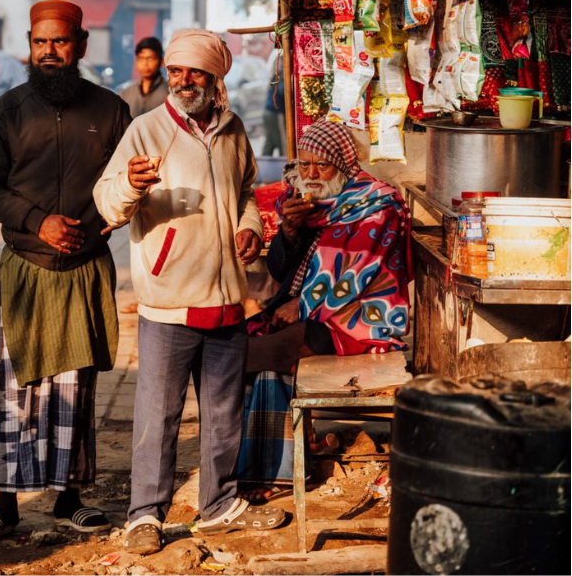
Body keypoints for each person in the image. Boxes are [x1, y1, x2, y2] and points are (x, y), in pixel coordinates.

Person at [93, 29, 289, 555]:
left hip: (227, 297)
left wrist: (250, 227)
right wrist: (132, 184)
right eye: (176, 71)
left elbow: (246, 191)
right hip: (169, 299)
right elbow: (107, 203)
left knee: (223, 411)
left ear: (214, 78)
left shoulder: (233, 129)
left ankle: (218, 504)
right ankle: (144, 515)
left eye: (194, 72)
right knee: (158, 414)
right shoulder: (145, 130)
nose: (182, 81)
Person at [0, 0, 132, 541]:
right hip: (26, 267)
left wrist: (105, 221)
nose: (49, 52)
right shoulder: (7, 111)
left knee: (76, 387)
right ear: (30, 46)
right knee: (18, 386)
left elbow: (127, 183)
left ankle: (70, 498)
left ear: (81, 45)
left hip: (85, 268)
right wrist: (37, 223)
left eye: (60, 41)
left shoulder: (111, 111)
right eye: (40, 42)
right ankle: (6, 503)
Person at [238, 121, 412, 484]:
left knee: (242, 356)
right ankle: (268, 471)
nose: (311, 174)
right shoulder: (310, 204)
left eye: (322, 165)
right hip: (315, 316)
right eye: (304, 165)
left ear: (343, 165)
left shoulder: (376, 205)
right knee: (254, 354)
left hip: (358, 321)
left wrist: (301, 306)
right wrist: (289, 232)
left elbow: (356, 272)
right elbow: (279, 270)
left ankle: (260, 470)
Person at [117, 36, 168, 118]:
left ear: (161, 62)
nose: (145, 63)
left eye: (150, 58)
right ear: (136, 61)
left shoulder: (169, 92)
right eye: (141, 58)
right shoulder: (125, 94)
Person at [261, 56, 285, 157]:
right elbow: (282, 92)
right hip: (274, 113)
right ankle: (284, 162)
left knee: (270, 140)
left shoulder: (276, 76)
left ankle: (263, 161)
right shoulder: (280, 77)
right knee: (281, 141)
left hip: (269, 111)